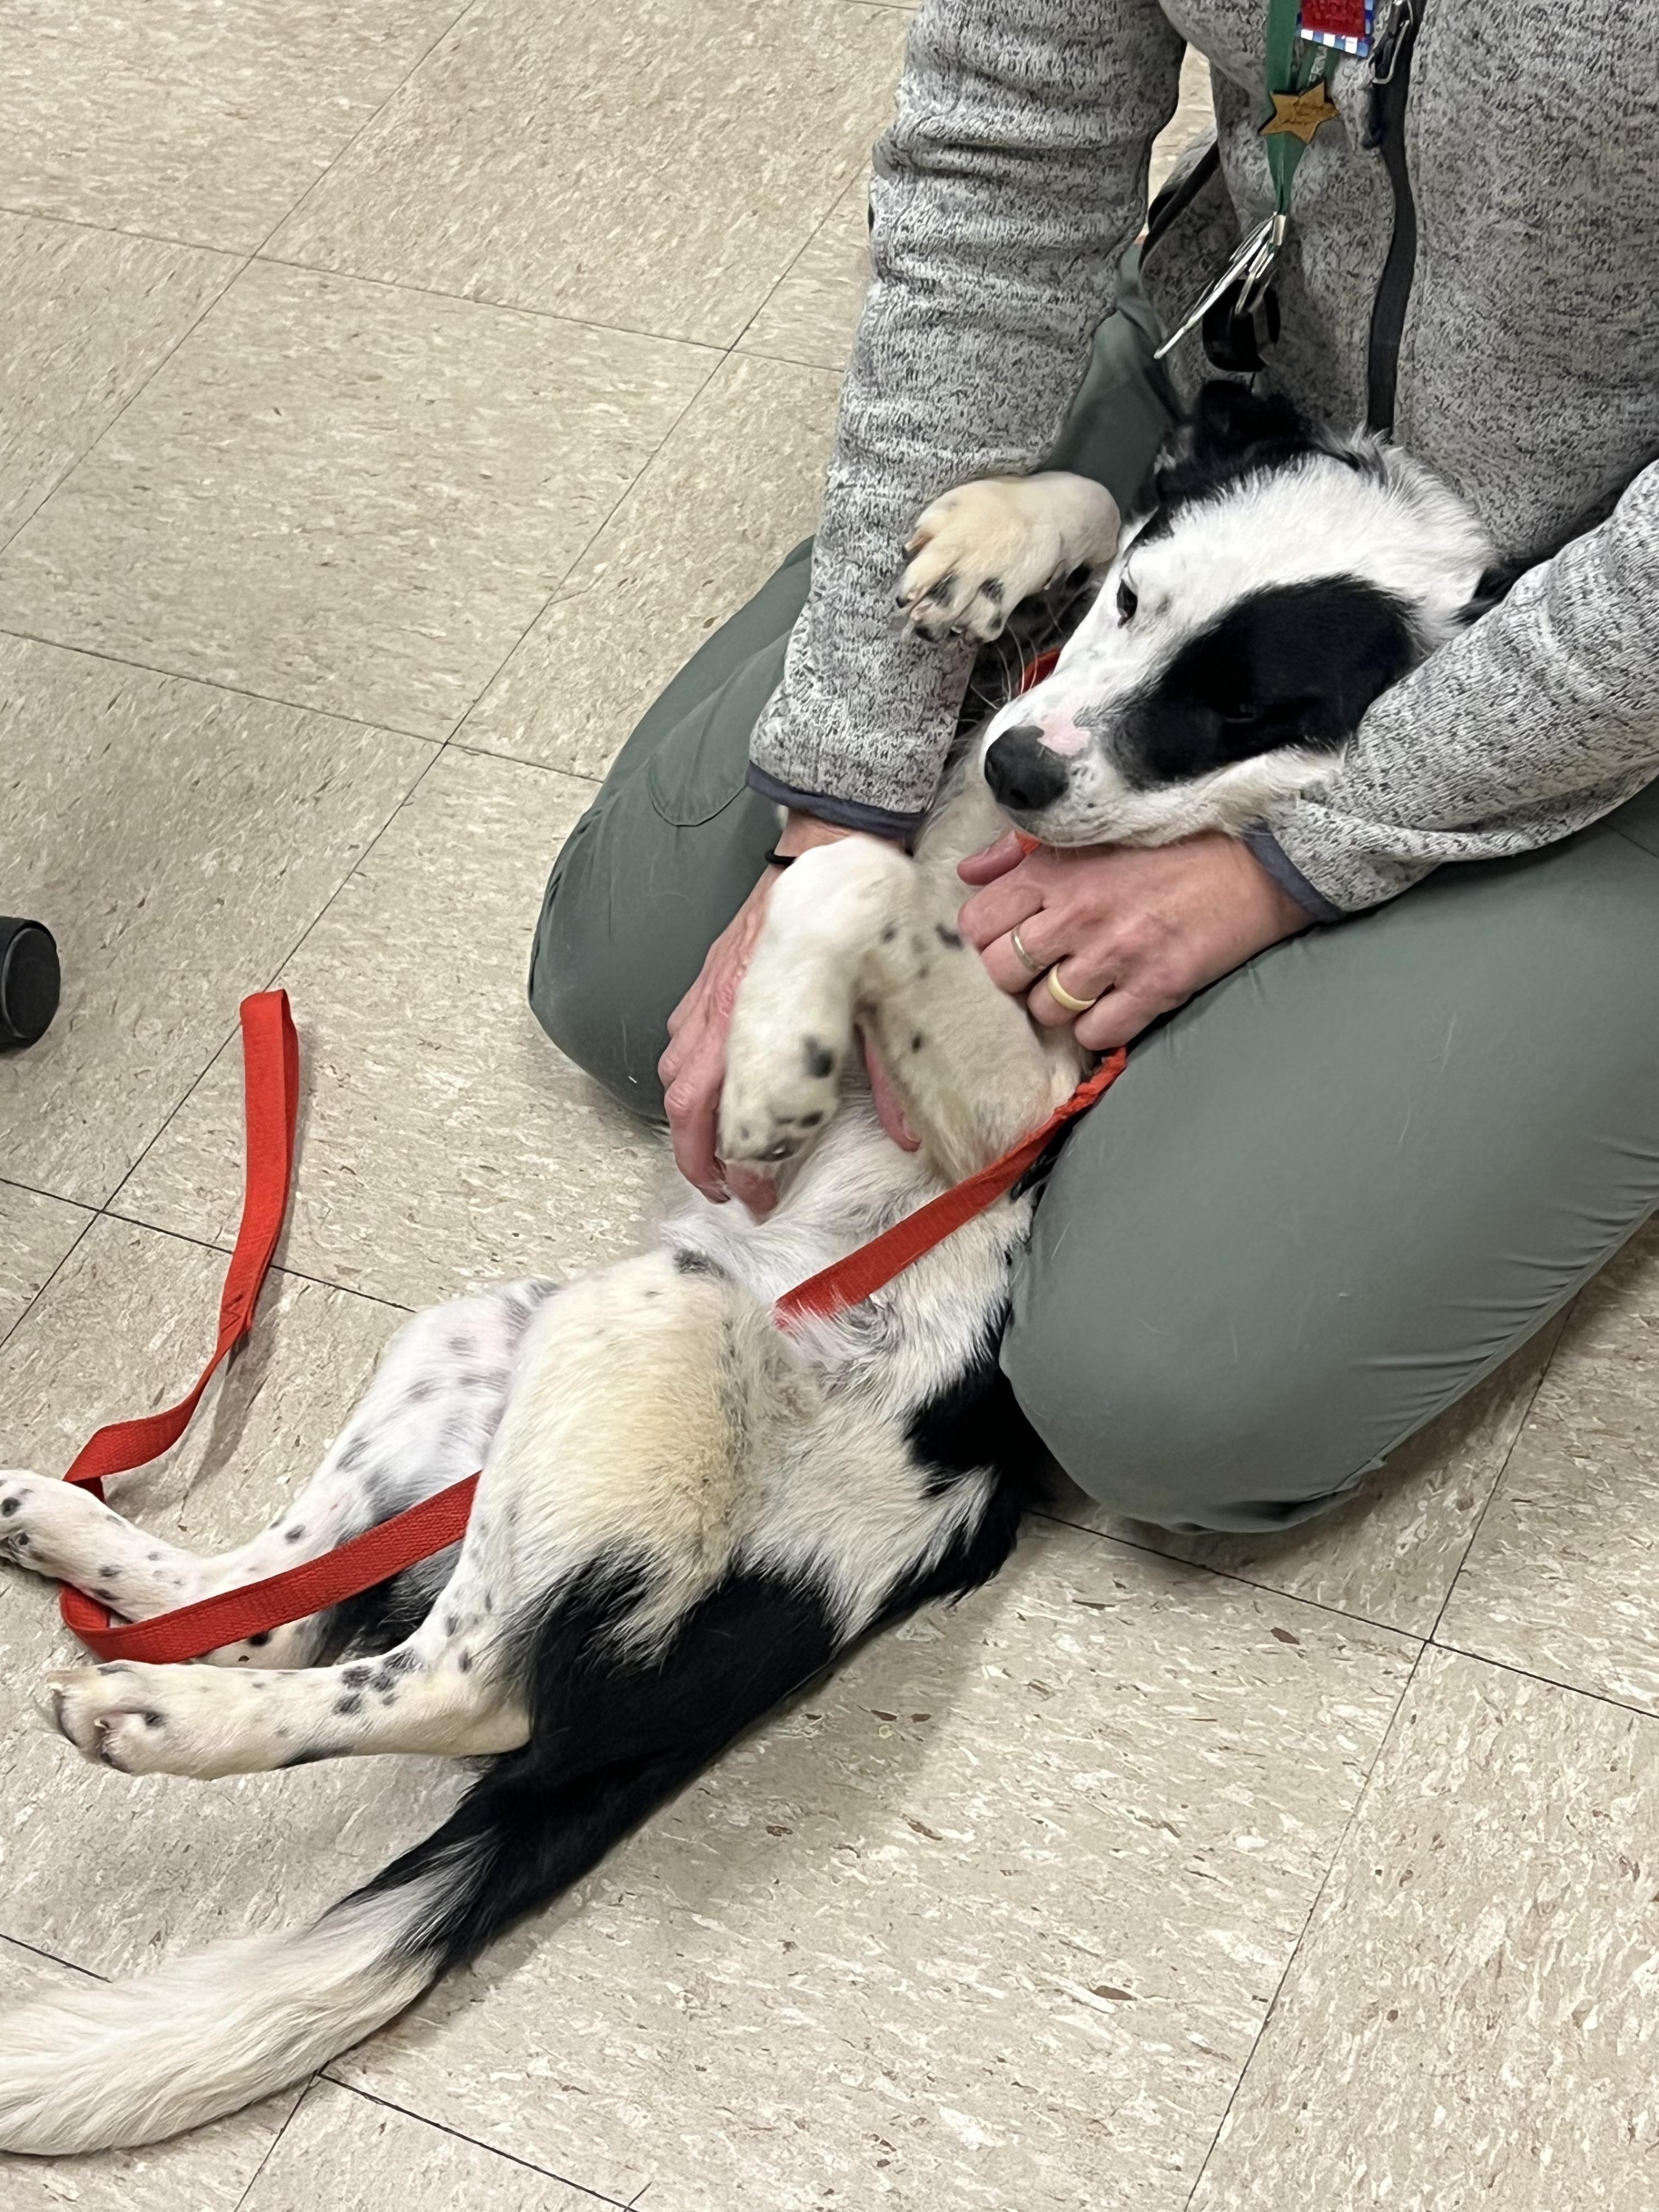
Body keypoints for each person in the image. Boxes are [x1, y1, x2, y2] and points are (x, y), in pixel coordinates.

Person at [529, 0, 1659, 1531]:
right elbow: (1003, 154)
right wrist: (841, 796)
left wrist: (1312, 850)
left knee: (1157, 1402)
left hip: (1602, 588)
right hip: (1262, 410)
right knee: (623, 981)